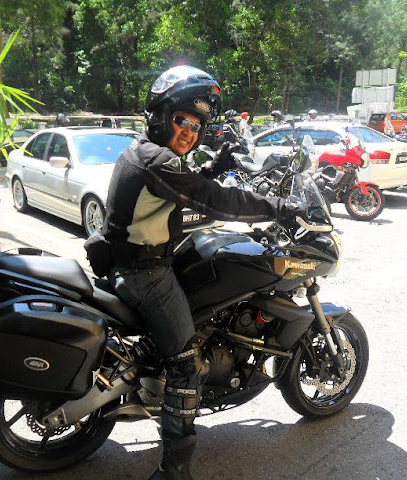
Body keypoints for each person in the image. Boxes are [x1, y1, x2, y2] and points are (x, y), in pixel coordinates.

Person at [100, 66, 285, 479]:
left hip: (133, 263)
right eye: (183, 120)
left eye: (197, 126)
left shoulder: (147, 153)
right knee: (187, 366)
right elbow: (213, 200)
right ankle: (173, 472)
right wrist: (276, 208)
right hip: (144, 273)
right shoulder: (157, 160)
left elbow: (184, 187)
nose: (189, 132)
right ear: (161, 115)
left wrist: (215, 166)